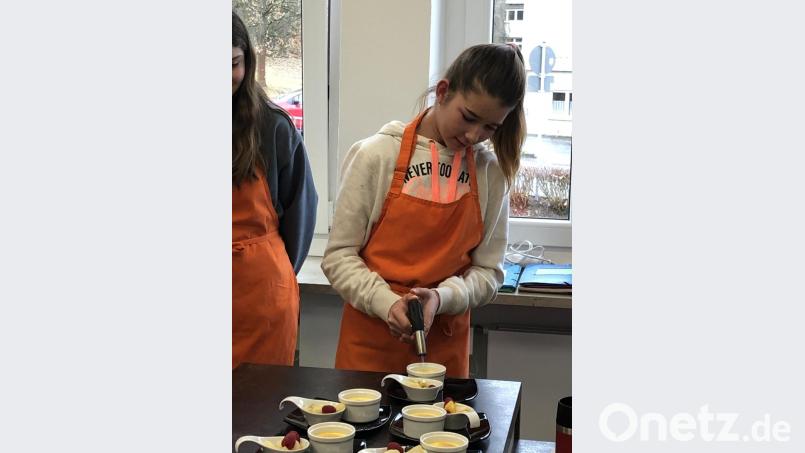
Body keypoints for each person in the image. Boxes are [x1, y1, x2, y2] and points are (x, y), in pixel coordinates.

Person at [322, 44, 525, 378]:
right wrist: (386, 303)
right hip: (369, 352)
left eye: (491, 127)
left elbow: (490, 273)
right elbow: (339, 256)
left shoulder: (490, 174)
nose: (474, 135)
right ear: (443, 92)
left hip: (443, 353)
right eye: (469, 117)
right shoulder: (377, 156)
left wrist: (441, 298)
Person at [232, 11, 317, 369]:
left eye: (233, 63)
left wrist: (273, 272)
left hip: (261, 305)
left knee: (258, 415)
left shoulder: (273, 128)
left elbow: (301, 213)